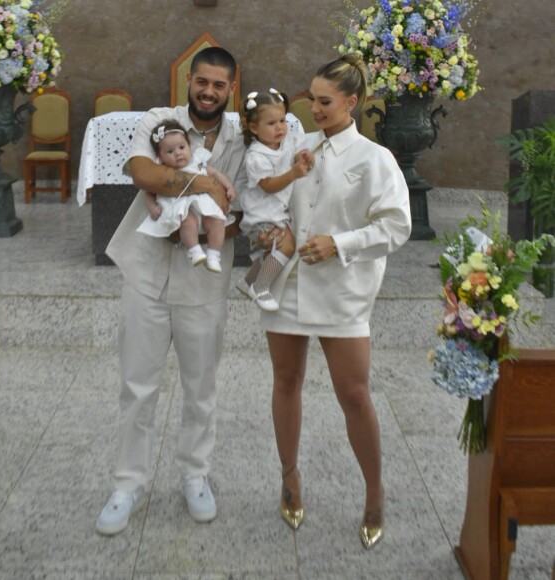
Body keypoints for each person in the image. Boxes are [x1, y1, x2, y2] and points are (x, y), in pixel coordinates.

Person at [260, 53, 411, 548]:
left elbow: (395, 226)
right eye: (311, 99)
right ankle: (289, 477)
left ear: (352, 101)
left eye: (324, 101)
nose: (315, 108)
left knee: (354, 394)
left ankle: (374, 493)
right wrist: (275, 231)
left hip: (343, 290)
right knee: (286, 380)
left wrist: (339, 244)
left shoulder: (374, 159)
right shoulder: (300, 148)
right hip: (289, 284)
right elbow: (271, 196)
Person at [96, 46, 246, 536]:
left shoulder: (243, 137)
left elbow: (237, 209)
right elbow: (141, 172)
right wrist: (203, 181)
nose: (208, 92)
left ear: (231, 88)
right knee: (137, 384)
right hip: (145, 271)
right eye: (202, 82)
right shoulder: (160, 121)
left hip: (203, 279)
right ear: (189, 81)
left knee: (200, 386)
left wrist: (187, 191)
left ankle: (195, 474)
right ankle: (128, 482)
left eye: (219, 85)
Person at [236, 88, 313, 311]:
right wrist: (293, 174)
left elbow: (297, 150)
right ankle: (260, 288)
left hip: (278, 210)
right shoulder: (256, 156)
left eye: (282, 120)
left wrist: (302, 156)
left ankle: (247, 281)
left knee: (273, 251)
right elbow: (268, 186)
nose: (280, 127)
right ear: (253, 128)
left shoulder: (287, 140)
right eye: (271, 123)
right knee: (286, 245)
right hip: (262, 213)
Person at [137, 119, 237, 273]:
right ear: (160, 155)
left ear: (189, 146)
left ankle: (214, 255)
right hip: (180, 206)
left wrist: (229, 187)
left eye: (182, 147)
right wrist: (152, 207)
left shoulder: (197, 162)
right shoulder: (161, 170)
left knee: (217, 221)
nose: (177, 153)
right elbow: (149, 191)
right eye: (170, 151)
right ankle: (194, 251)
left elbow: (215, 174)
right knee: (187, 220)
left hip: (205, 206)